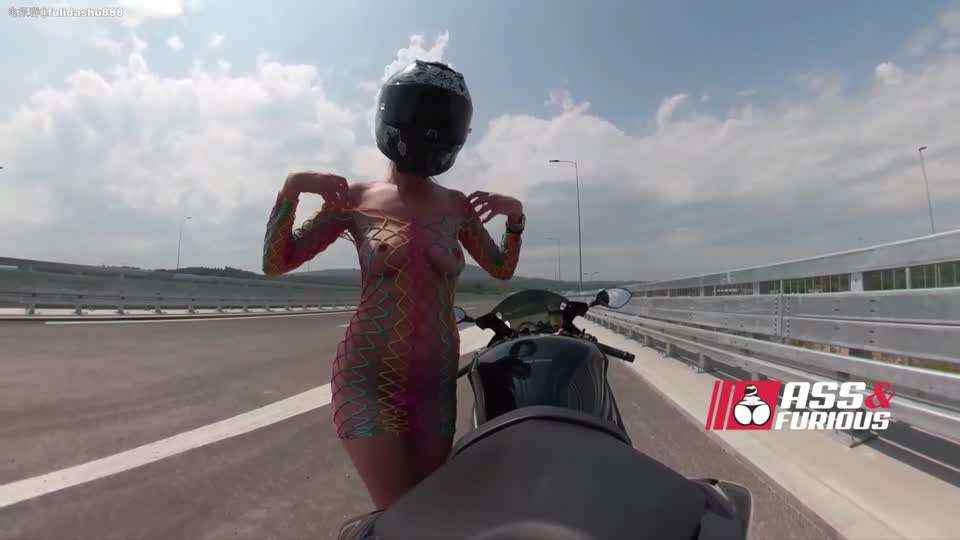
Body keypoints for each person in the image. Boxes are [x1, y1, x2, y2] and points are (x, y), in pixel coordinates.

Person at [262, 60, 525, 509]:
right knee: (400, 514)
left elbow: (501, 269)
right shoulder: (354, 199)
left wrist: (515, 217)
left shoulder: (457, 207)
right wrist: (292, 188)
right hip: (367, 380)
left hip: (434, 385)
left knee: (430, 510)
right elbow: (276, 262)